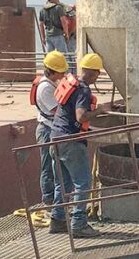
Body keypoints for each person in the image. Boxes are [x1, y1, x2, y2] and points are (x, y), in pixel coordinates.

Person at [49, 52, 112, 236]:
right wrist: (100, 110)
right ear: (94, 73)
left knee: (63, 183)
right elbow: (81, 116)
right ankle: (78, 224)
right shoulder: (83, 90)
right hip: (71, 141)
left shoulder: (72, 82)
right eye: (97, 73)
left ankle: (58, 220)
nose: (97, 77)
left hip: (55, 137)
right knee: (83, 183)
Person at [31, 51, 74, 212]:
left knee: (57, 167)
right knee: (48, 167)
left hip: (52, 128)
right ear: (52, 71)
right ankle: (49, 201)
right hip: (47, 130)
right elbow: (57, 111)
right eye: (61, 71)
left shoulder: (53, 83)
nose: (63, 74)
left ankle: (58, 200)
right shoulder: (45, 88)